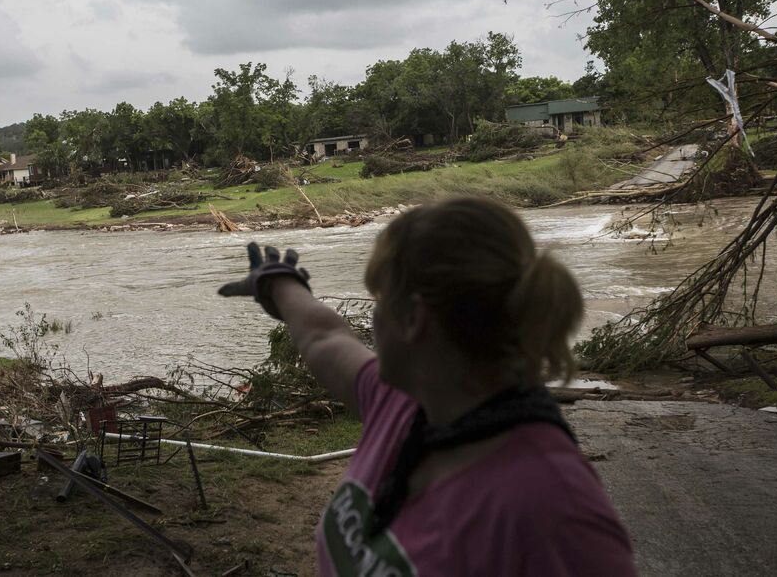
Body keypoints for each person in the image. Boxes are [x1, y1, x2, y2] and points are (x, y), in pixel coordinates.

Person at [219, 197, 636, 576]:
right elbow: (325, 337)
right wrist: (277, 283)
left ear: (413, 318)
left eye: (380, 299)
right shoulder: (407, 405)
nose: (373, 319)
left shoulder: (553, 510)